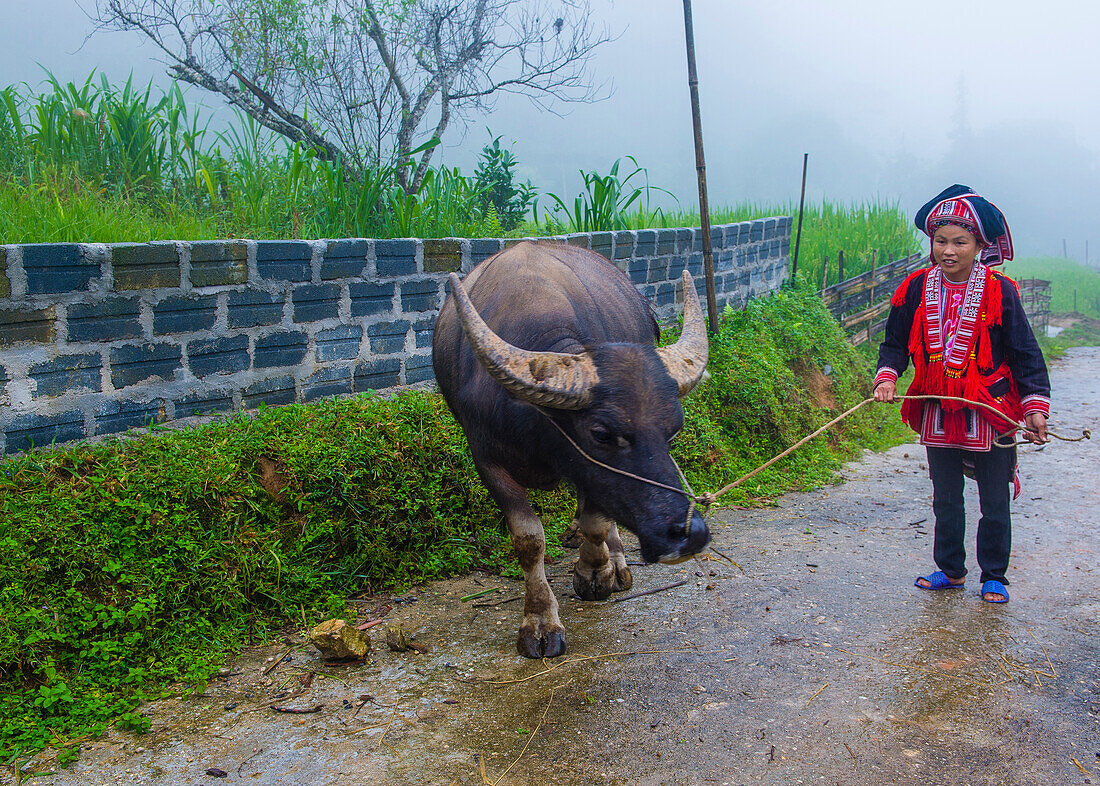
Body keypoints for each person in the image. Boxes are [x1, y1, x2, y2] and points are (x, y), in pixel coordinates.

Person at [873, 185, 1050, 604]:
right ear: (931, 243)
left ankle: (994, 576)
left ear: (978, 245)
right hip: (937, 405)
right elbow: (894, 342)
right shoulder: (914, 287)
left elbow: (1025, 352)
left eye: (959, 242)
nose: (948, 251)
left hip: (990, 407)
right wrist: (887, 377)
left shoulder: (1000, 291)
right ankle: (950, 569)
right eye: (941, 241)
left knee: (994, 498)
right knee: (946, 496)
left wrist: (1035, 407)